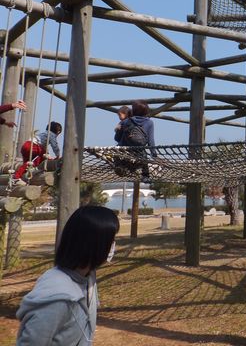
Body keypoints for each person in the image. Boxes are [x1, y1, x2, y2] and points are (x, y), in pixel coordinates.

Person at [16, 205, 119, 345]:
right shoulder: (56, 299)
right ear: (95, 244)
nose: (114, 246)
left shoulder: (88, 277)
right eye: (111, 240)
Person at [114, 100, 156, 182]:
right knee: (144, 157)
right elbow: (151, 141)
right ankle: (145, 175)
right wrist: (154, 154)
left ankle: (120, 167)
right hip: (139, 153)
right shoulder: (149, 122)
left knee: (117, 153)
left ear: (133, 111)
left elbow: (117, 138)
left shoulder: (125, 122)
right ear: (146, 111)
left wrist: (117, 130)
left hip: (124, 152)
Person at [12, 121, 62, 186]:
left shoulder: (43, 134)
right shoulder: (51, 134)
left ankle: (17, 177)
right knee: (43, 155)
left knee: (27, 164)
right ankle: (36, 166)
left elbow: (44, 147)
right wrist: (57, 156)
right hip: (32, 146)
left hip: (25, 146)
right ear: (58, 132)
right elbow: (55, 146)